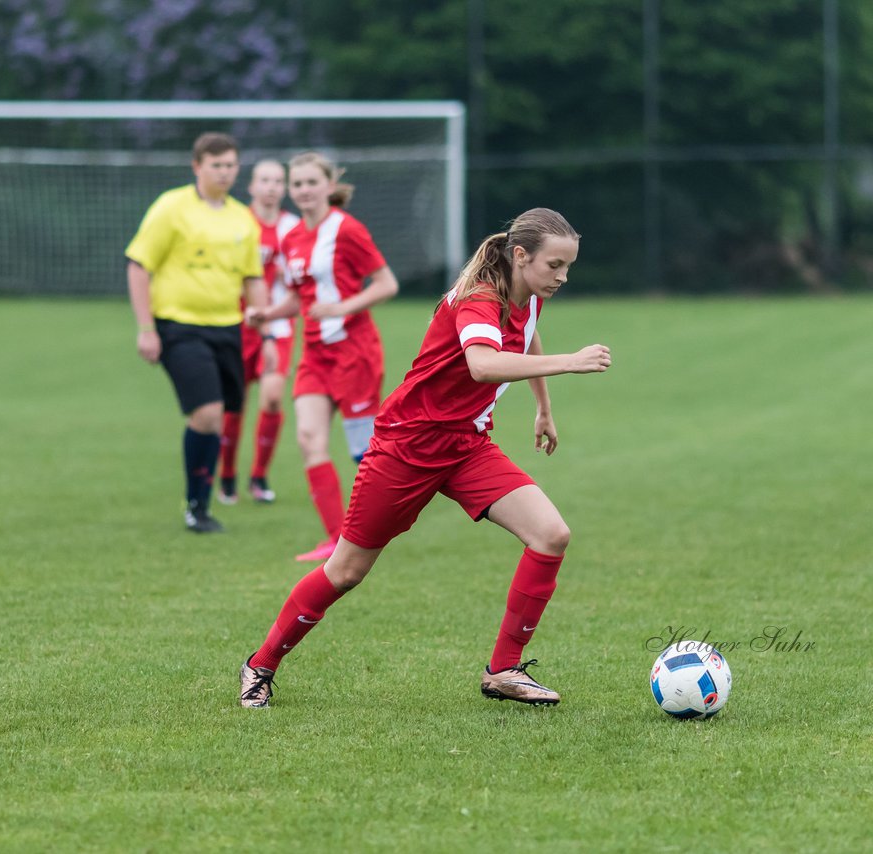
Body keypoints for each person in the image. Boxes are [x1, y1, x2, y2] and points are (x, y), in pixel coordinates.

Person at [238, 207, 612, 709]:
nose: (563, 277)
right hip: (407, 449)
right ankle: (259, 665)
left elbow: (525, 337)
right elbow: (482, 365)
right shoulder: (480, 298)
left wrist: (543, 407)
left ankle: (502, 671)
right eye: (555, 265)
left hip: (467, 446)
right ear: (520, 256)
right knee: (345, 571)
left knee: (551, 535)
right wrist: (570, 363)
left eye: (568, 266)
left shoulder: (527, 294)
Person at [247, 151, 399, 562]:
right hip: (314, 355)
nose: (304, 191)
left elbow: (386, 284)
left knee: (364, 454)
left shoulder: (347, 229)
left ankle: (383, 524)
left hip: (355, 353)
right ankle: (336, 539)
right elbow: (299, 297)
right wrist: (269, 312)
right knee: (309, 438)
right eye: (297, 184)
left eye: (312, 182)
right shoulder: (291, 237)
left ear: (330, 186)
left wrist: (343, 308)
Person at [126, 131, 269, 534]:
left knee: (221, 417)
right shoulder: (171, 208)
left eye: (230, 166)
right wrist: (146, 329)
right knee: (206, 414)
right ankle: (197, 507)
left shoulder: (243, 217)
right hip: (179, 326)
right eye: (216, 166)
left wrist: (268, 328)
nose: (224, 173)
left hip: (228, 328)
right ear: (197, 167)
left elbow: (251, 277)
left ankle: (201, 504)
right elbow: (138, 265)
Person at [216, 159, 301, 506]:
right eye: (264, 180)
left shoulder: (294, 228)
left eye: (277, 181)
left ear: (284, 188)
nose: (271, 186)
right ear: (251, 186)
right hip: (236, 326)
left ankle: (259, 476)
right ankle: (227, 477)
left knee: (271, 398)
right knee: (233, 407)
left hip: (277, 327)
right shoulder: (237, 223)